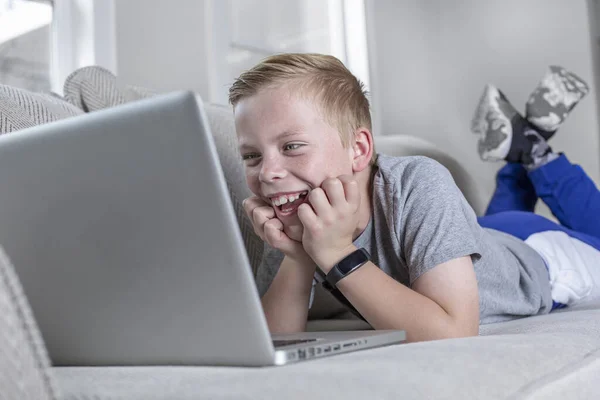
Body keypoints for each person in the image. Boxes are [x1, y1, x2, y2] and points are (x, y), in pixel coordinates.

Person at [230, 54, 599, 342]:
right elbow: (276, 340)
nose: (266, 173)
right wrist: (298, 254)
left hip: (539, 254)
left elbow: (453, 332)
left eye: (292, 146)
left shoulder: (418, 181)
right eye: (251, 156)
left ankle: (533, 151)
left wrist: (335, 254)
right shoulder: (293, 212)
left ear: (358, 150)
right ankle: (523, 145)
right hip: (481, 237)